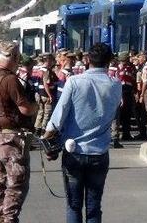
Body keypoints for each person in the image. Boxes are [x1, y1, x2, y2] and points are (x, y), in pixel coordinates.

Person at [45, 42, 122, 223]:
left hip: (74, 153)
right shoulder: (115, 85)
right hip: (100, 153)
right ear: (109, 60)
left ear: (87, 60)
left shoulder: (74, 81)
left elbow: (58, 116)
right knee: (94, 207)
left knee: (73, 205)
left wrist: (48, 139)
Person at [0, 41, 38, 223]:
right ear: (15, 58)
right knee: (16, 182)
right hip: (11, 137)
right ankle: (9, 219)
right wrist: (35, 106)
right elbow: (24, 109)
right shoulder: (10, 80)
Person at [116, 51, 137, 141]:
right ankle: (125, 134)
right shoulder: (127, 68)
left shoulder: (119, 68)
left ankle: (124, 134)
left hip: (124, 92)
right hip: (125, 92)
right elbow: (132, 81)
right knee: (125, 115)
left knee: (123, 115)